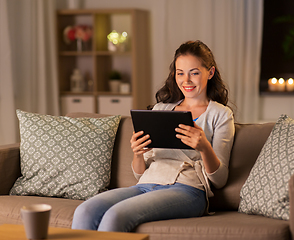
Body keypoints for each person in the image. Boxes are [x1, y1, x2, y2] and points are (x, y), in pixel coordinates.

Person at [71, 40, 235, 232]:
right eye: (180, 73)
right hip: (146, 184)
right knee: (85, 210)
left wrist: (204, 147)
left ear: (210, 72)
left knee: (116, 215)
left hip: (187, 189)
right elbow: (139, 174)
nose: (186, 81)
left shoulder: (221, 115)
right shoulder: (161, 109)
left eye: (194, 73)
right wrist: (138, 153)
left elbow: (220, 180)